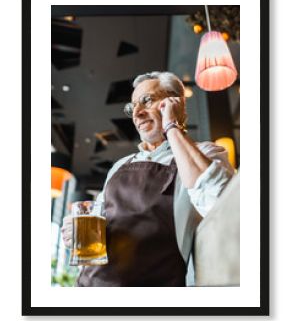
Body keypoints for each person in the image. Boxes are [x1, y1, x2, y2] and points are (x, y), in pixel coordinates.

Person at [61, 71, 234, 287]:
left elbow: (222, 204)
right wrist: (77, 236)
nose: (138, 113)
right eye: (133, 107)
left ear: (176, 103)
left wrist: (172, 126)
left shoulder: (204, 153)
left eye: (147, 100)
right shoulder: (119, 167)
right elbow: (101, 235)